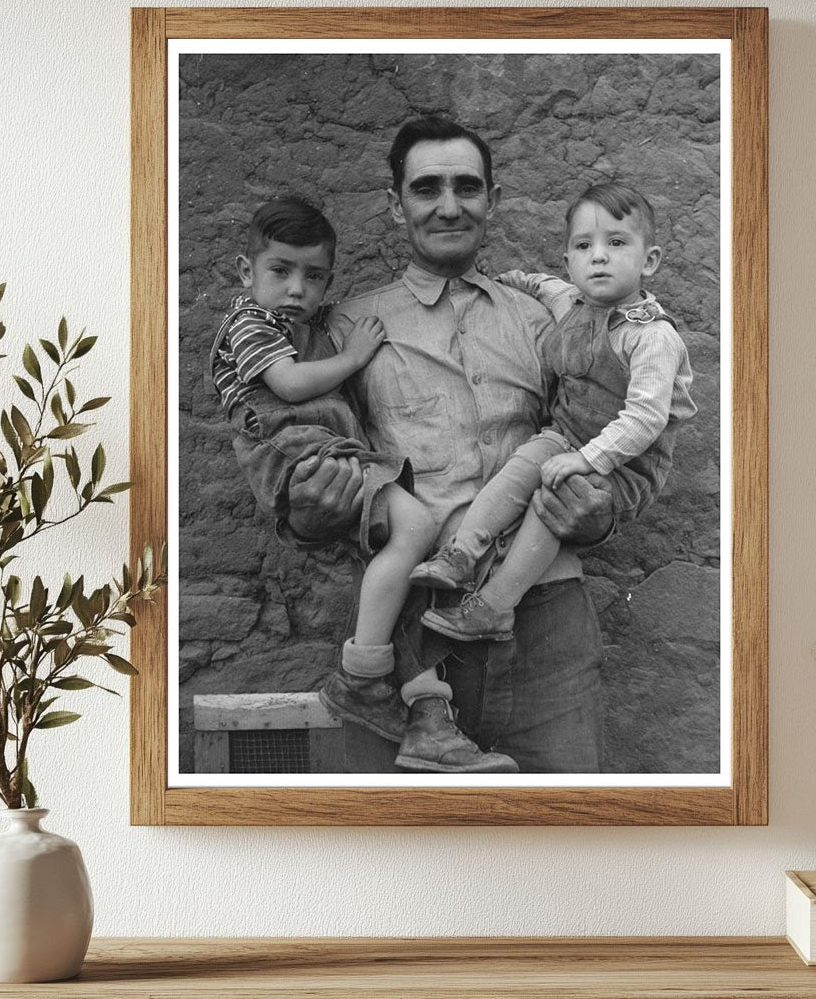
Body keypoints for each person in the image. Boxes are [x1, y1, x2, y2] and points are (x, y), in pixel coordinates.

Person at [286, 117, 619, 773]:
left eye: (467, 187)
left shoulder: (544, 320)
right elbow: (312, 465)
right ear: (396, 203)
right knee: (401, 860)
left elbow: (597, 441)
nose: (448, 205)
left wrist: (599, 513)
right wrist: (307, 507)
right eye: (427, 188)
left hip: (544, 628)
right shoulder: (349, 326)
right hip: (410, 645)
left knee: (570, 840)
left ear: (491, 200)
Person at [211, 196, 517, 773]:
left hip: (330, 447)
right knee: (417, 526)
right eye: (281, 271)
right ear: (243, 273)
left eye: (315, 276)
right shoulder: (250, 324)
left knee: (389, 562)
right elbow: (292, 384)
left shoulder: (298, 323)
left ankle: (412, 699)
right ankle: (361, 673)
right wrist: (353, 357)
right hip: (298, 449)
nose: (298, 289)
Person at [412, 181, 697, 641]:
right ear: (569, 262)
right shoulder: (574, 303)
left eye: (616, 243)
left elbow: (646, 419)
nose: (598, 257)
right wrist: (505, 282)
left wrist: (585, 460)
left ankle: (495, 607)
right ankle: (462, 552)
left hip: (624, 467)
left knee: (554, 501)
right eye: (584, 246)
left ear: (650, 261)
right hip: (567, 436)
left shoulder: (651, 338)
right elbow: (542, 285)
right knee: (520, 465)